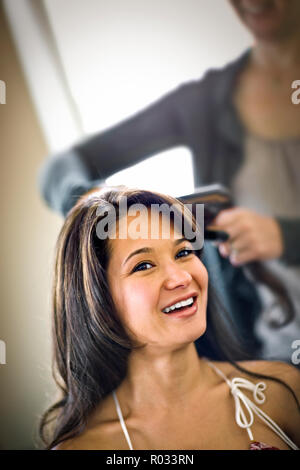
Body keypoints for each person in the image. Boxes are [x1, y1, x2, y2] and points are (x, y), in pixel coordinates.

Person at [38, 0, 300, 363]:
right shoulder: (203, 104)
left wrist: (285, 237)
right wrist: (96, 203)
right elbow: (61, 168)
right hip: (274, 355)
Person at [39, 187, 300, 450]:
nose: (181, 278)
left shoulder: (282, 391)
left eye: (183, 253)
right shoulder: (85, 447)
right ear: (99, 305)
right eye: (143, 265)